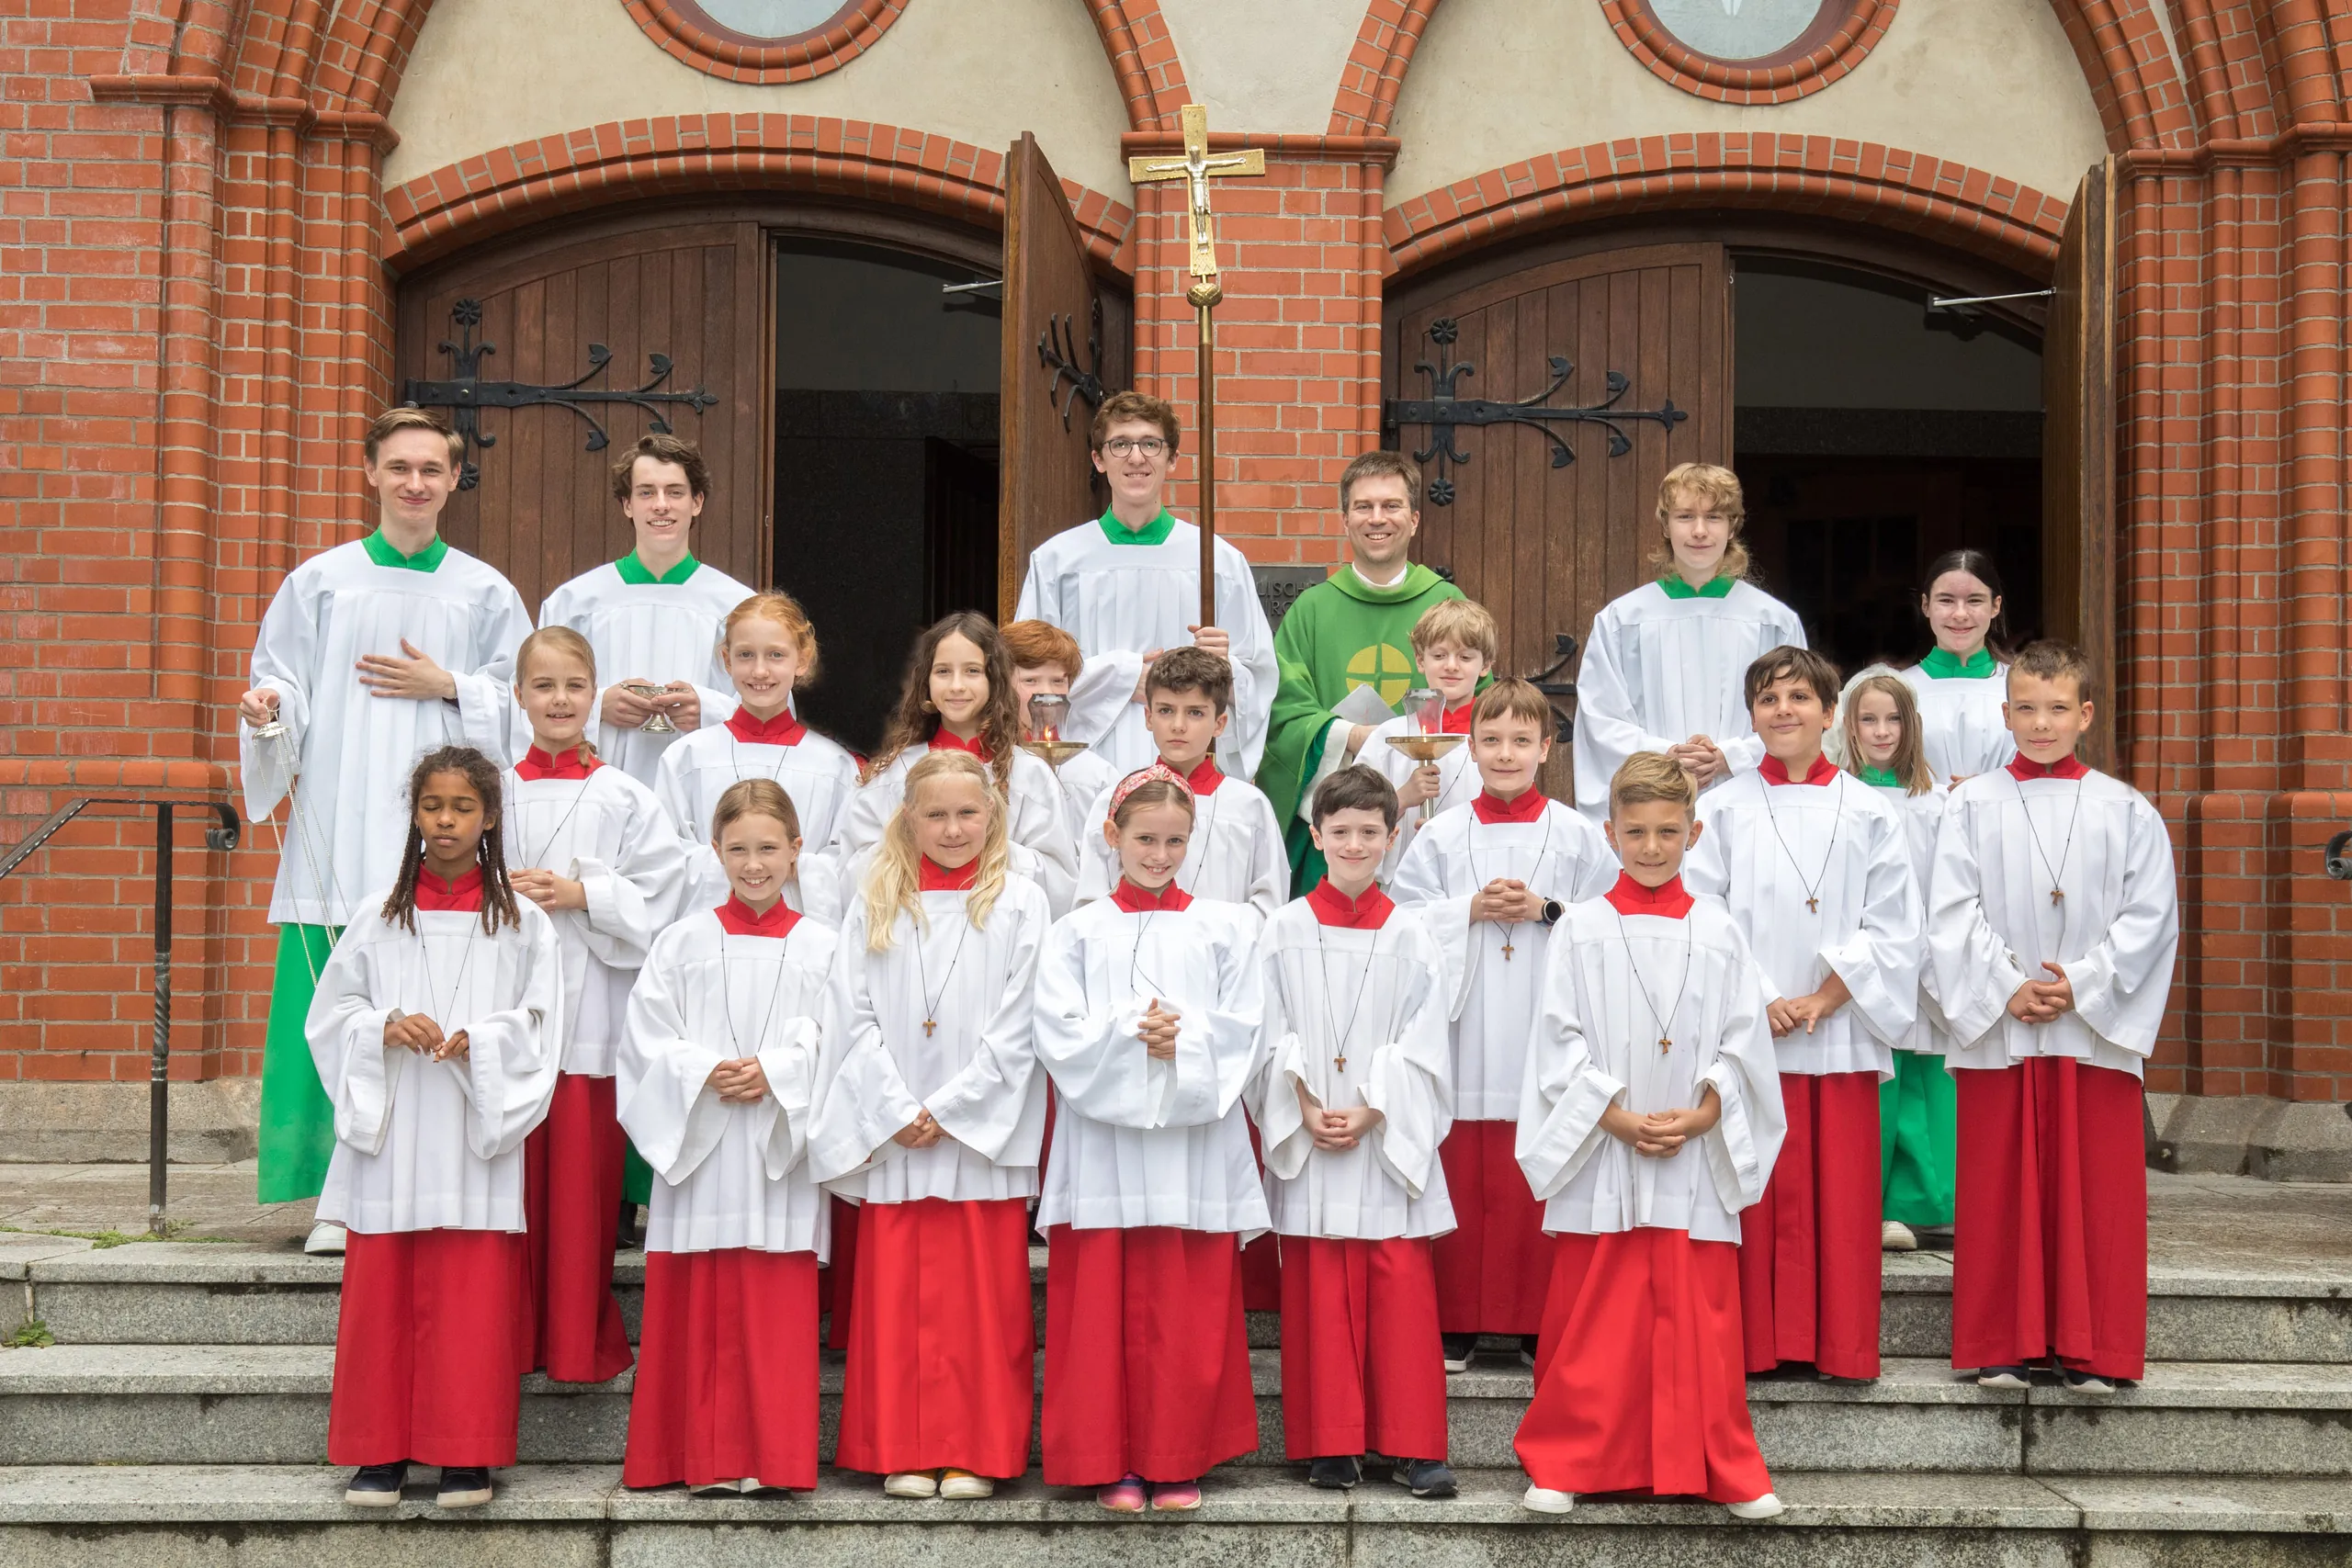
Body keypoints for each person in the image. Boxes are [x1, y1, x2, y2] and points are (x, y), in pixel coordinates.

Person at [239, 407, 534, 1251]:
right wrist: (269, 710)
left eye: (431, 469)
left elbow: (527, 704)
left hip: (444, 834)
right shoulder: (321, 581)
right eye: (400, 467)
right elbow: (282, 682)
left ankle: (434, 1183)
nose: (415, 483)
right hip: (342, 819)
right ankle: (335, 1200)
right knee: (338, 1006)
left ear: (453, 479)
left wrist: (451, 685)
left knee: (442, 1004)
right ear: (370, 472)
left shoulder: (484, 591)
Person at [1512, 751, 1786, 1519]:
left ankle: (1721, 1465)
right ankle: (1568, 1458)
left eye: (1668, 831)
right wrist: (1615, 1117)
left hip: (1692, 1151)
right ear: (1610, 833)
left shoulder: (1719, 929)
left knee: (1699, 1314)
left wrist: (1704, 1113)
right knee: (1596, 1312)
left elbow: (1744, 1043)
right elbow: (1556, 1040)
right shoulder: (1581, 928)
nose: (1653, 846)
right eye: (1636, 831)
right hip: (1607, 1145)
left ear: (1694, 832)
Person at [307, 746, 560, 1511]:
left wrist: (484, 1039)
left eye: (462, 807)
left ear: (490, 817)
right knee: (383, 1299)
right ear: (415, 814)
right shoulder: (378, 916)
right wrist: (382, 1026)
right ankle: (378, 1452)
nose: (445, 820)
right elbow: (331, 1014)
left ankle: (465, 1453)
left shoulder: (523, 923)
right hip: (394, 1130)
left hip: (472, 1132)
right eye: (432, 806)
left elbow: (543, 1022)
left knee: (470, 1302)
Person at [1928, 640, 2177, 1394]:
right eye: (2028, 708)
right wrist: (2007, 985)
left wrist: (2084, 983)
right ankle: (2001, 1343)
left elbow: (2151, 915)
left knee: (2096, 1191)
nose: (2042, 723)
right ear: (2005, 714)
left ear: (2085, 714)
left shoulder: (2126, 809)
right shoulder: (1970, 805)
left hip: (2089, 1027)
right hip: (2005, 1025)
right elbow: (1949, 911)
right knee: (1999, 1186)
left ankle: (2091, 1348)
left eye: (2058, 708)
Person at [808, 750, 1053, 1500]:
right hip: (899, 1131)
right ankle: (902, 1446)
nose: (952, 828)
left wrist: (950, 1108)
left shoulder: (1020, 900)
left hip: (976, 1135)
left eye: (967, 813)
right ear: (907, 818)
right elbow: (848, 1011)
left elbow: (1022, 1020)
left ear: (993, 815)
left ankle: (977, 1447)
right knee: (898, 1298)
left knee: (983, 1300)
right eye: (936, 814)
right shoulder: (877, 897)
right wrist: (894, 1107)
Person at [1033, 766, 1267, 1511]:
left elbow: (1247, 1026)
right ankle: (1110, 1458)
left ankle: (1177, 1455)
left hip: (1192, 1148)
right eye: (1144, 839)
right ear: (1112, 835)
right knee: (1100, 1303)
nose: (1159, 855)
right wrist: (1135, 1033)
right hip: (1102, 1148)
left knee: (1185, 1299)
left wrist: (1184, 1039)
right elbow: (1056, 1033)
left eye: (1174, 841)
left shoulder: (1227, 927)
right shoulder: (1074, 931)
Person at [1684, 646, 1920, 1382]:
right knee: (1757, 1184)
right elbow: (1703, 912)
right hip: (1750, 1029)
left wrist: (1825, 996)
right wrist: (1762, 995)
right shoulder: (1719, 809)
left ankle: (1839, 1345)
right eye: (1767, 698)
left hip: (1838, 1029)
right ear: (1750, 717)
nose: (1783, 710)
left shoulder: (1871, 810)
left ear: (1829, 712)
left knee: (1840, 1196)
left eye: (1798, 697)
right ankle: (1757, 1343)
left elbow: (1895, 924)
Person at [1388, 679, 1615, 1371]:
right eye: (1491, 741)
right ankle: (1457, 1319)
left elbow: (1611, 920)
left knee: (1537, 1163)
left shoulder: (1576, 833)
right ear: (1471, 746)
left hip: (1544, 1022)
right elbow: (1403, 922)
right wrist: (1468, 910)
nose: (1506, 754)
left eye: (1521, 740)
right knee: (1464, 1167)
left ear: (1546, 748)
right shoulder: (1441, 833)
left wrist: (1547, 910)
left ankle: (1532, 1320)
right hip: (1467, 1022)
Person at [617, 779, 837, 1495]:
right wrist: (701, 1070)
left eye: (768, 848)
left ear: (797, 850)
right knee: (700, 1305)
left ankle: (772, 1459)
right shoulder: (681, 941)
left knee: (774, 1306)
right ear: (715, 850)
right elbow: (645, 1041)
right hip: (702, 1150)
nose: (754, 864)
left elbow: (841, 1044)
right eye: (738, 849)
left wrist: (778, 1071)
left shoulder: (825, 947)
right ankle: (701, 1457)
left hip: (778, 1152)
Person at [1250, 764, 1457, 1499]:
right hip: (1312, 1134)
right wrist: (1304, 1103)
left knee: (1400, 1293)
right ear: (1316, 836)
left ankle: (1414, 1444)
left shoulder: (1412, 932)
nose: (1356, 844)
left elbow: (1428, 1041)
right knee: (1318, 1292)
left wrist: (1375, 1107)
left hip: (1383, 1139)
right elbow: (1266, 1032)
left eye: (1371, 831)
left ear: (1393, 836)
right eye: (1341, 831)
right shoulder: (1283, 929)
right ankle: (1330, 1442)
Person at [500, 627, 686, 1383]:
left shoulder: (625, 795)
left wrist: (583, 893)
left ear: (595, 693)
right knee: (512, 1187)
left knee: (579, 1190)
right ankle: (512, 1335)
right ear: (518, 695)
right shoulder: (491, 791)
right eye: (544, 686)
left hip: (591, 1013)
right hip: (509, 1013)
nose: (560, 700)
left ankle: (576, 1338)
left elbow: (665, 898)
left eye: (574, 686)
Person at [1014, 390, 1278, 778]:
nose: (1136, 458)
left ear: (1172, 459)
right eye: (1120, 444)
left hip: (1185, 766)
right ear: (1098, 459)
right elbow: (1028, 676)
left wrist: (1225, 667)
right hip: (1083, 767)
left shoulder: (1218, 562)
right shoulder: (1058, 561)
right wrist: (1123, 676)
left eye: (1150, 444)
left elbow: (1259, 682)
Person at [1260, 450, 1465, 890]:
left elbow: (1477, 707)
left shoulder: (1447, 604)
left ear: (1414, 519)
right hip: (1339, 818)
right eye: (1363, 507)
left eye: (1391, 506)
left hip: (1429, 814)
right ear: (1345, 519)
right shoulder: (1312, 609)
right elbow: (1282, 708)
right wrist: (1349, 736)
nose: (1377, 519)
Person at [1569, 462, 1806, 821]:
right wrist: (1667, 754)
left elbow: (1799, 714)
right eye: (1685, 516)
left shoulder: (1773, 621)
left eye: (1714, 517)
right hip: (1652, 805)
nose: (1699, 531)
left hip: (1751, 807)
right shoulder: (1622, 619)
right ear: (1665, 525)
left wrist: (1729, 757)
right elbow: (1600, 718)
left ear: (1732, 527)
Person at [538, 434, 756, 786]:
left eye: (675, 492)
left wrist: (708, 709)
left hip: (704, 787)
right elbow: (532, 699)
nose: (661, 505)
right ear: (627, 504)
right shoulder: (575, 603)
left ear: (697, 502)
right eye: (646, 493)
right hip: (598, 785)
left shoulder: (737, 606)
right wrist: (597, 706)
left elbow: (772, 708)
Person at [836, 613, 1079, 917]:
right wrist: (909, 842)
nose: (957, 686)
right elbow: (851, 876)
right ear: (925, 681)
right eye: (943, 671)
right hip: (911, 928)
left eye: (972, 671)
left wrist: (987, 846)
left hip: (996, 927)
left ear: (995, 679)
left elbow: (1060, 884)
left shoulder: (1028, 775)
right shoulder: (893, 774)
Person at [1838, 668, 1957, 1252]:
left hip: (1926, 963)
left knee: (1925, 1080)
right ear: (1848, 726)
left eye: (1894, 720)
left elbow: (1950, 885)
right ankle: (1878, 1205)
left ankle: (1930, 1206)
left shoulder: (1937, 804)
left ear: (1913, 726)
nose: (1882, 732)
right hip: (1871, 965)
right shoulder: (1839, 800)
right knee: (1881, 1086)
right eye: (1869, 719)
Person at [655, 592, 861, 915]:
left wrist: (794, 865)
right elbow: (664, 855)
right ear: (727, 661)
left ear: (802, 660)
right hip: (710, 928)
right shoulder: (687, 758)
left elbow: (849, 862)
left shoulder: (835, 766)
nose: (760, 671)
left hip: (802, 931)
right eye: (746, 655)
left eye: (776, 655)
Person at [1076, 647, 1286, 918]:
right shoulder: (1114, 801)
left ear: (1219, 723)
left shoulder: (1249, 806)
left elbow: (1270, 908)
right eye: (1166, 710)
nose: (1178, 725)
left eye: (1195, 713)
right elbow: (1090, 905)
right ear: (1149, 717)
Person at [1360, 598, 1498, 881]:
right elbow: (1353, 815)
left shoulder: (1496, 739)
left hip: (1476, 877)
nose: (1451, 666)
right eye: (1439, 655)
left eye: (1465, 657)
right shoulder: (1389, 737)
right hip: (1404, 882)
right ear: (1421, 661)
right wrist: (1402, 798)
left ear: (1485, 665)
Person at [1003, 617, 1123, 858]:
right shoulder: (989, 764)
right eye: (1030, 680)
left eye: (1058, 681)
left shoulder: (1096, 775)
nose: (1047, 693)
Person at [1899, 549, 2017, 784]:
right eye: (1946, 600)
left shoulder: (2020, 686)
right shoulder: (1898, 688)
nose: (1960, 614)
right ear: (1925, 605)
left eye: (1974, 600)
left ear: (1995, 606)